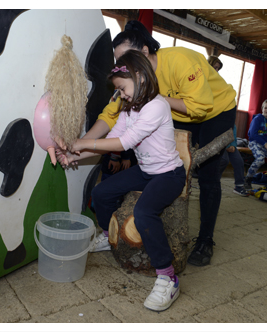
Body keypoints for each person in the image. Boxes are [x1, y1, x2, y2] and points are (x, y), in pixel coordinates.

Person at [61, 20, 237, 267]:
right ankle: (141, 222)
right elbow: (111, 116)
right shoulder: (130, 85)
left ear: (144, 53)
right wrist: (79, 146)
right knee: (155, 159)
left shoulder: (178, 62)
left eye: (125, 59)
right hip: (175, 110)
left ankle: (205, 239)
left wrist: (156, 98)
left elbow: (199, 107)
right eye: (118, 62)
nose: (121, 66)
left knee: (207, 176)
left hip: (215, 110)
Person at [66, 50, 185, 312]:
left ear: (140, 76)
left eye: (122, 88)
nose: (121, 94)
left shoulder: (157, 106)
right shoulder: (128, 109)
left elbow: (125, 142)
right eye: (118, 90)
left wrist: (81, 143)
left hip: (169, 174)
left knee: (144, 213)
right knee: (101, 193)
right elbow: (112, 141)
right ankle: (110, 237)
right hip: (145, 169)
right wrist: (72, 154)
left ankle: (168, 277)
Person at [219, 125, 249, 196]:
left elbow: (234, 133)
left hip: (230, 145)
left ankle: (239, 186)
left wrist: (233, 145)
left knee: (239, 161)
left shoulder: (232, 119)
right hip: (219, 144)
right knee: (224, 160)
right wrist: (224, 145)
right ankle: (212, 181)